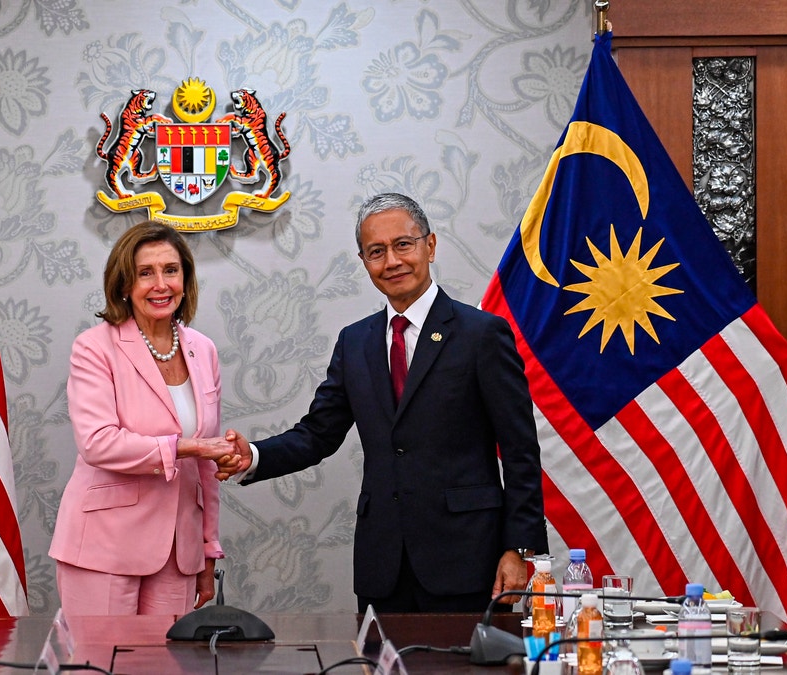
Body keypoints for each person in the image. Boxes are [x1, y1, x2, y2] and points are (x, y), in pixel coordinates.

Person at [225, 193, 548, 613]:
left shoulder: (482, 334)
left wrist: (519, 548)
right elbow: (318, 434)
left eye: (403, 244)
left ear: (429, 246)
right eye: (376, 251)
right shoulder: (355, 342)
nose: (391, 261)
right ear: (363, 261)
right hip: (383, 565)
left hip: (468, 559)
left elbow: (521, 450)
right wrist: (250, 456)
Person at [50, 221, 240, 615]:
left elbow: (207, 468)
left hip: (178, 553)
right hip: (104, 546)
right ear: (124, 284)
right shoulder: (94, 347)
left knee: (166, 667)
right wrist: (187, 446)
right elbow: (98, 443)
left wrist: (207, 547)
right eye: (145, 273)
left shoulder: (203, 350)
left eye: (171, 270)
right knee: (98, 665)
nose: (161, 284)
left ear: (185, 280)